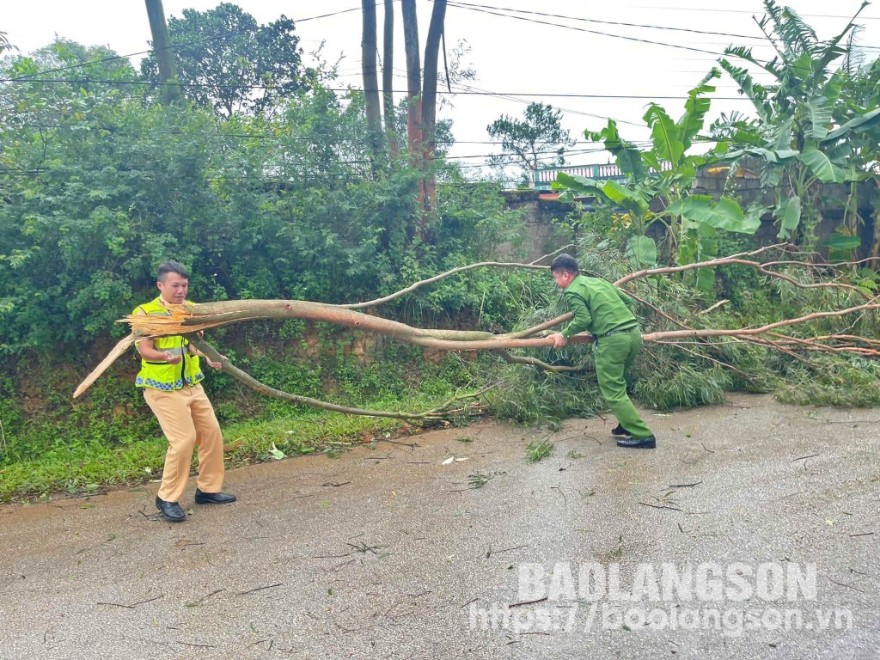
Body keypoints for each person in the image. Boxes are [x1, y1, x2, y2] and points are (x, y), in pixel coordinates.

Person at [134, 261, 237, 521]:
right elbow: (144, 350)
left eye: (184, 285)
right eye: (175, 285)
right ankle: (166, 498)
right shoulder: (145, 312)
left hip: (192, 385)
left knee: (211, 433)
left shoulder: (190, 311)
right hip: (162, 389)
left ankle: (208, 490)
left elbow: (195, 345)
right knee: (183, 441)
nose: (181, 290)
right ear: (161, 285)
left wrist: (211, 356)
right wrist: (163, 357)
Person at [547, 253, 656, 449]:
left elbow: (583, 319)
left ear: (565, 276)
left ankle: (643, 435)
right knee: (619, 383)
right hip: (633, 335)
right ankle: (626, 424)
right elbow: (629, 302)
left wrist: (563, 334)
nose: (556, 282)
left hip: (612, 341)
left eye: (555, 277)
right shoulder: (598, 282)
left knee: (613, 390)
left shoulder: (572, 291)